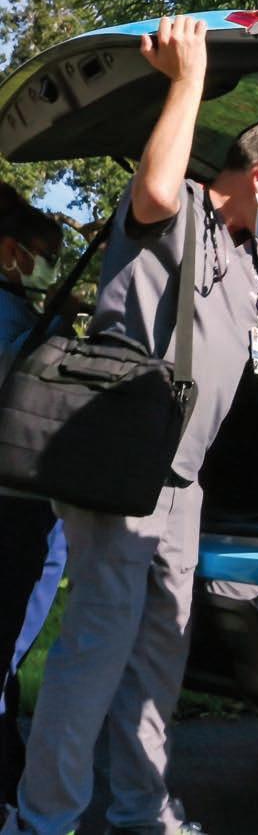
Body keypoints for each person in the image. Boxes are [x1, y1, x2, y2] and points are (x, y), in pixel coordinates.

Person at [3, 16, 258, 835]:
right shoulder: (174, 215)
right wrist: (188, 80)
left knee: (159, 651)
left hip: (183, 483)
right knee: (95, 646)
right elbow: (157, 188)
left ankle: (141, 810)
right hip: (122, 463)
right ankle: (41, 820)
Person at [0, 187, 68, 823]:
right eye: (45, 255)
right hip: (19, 506)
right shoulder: (21, 322)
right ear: (10, 252)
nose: (50, 267)